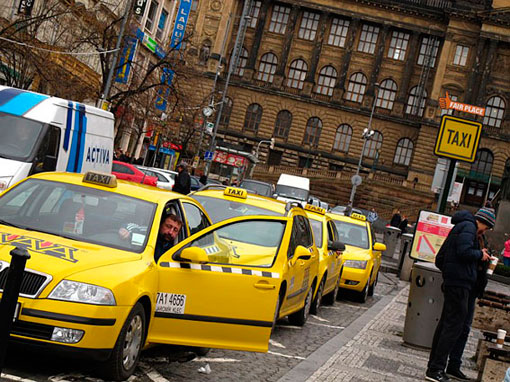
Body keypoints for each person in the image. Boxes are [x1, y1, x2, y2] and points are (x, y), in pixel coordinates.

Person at [426, 207, 495, 382]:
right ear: (482, 222)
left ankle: (435, 367)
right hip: (459, 283)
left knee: (447, 325)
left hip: (456, 282)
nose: (484, 231)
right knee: (452, 326)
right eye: (486, 228)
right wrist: (480, 254)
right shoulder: (468, 228)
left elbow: (443, 257)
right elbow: (464, 252)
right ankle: (436, 369)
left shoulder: (463, 227)